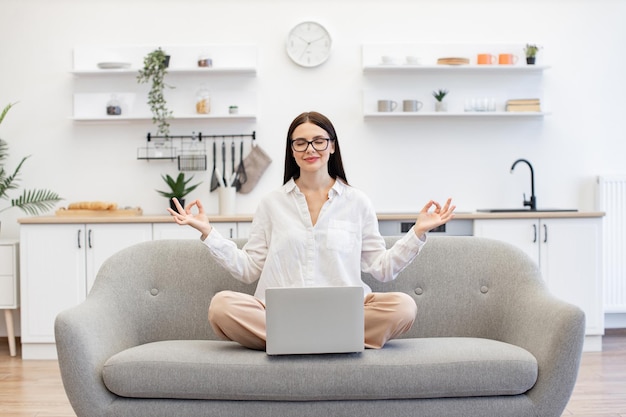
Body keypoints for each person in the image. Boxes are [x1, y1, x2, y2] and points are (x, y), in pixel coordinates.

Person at [168, 111, 455, 351]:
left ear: (332, 146)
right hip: (279, 313)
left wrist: (417, 232)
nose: (310, 149)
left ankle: (294, 341)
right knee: (221, 307)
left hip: (343, 310)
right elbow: (248, 269)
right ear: (292, 151)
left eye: (319, 141)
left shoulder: (357, 202)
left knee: (403, 306)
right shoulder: (271, 203)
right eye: (301, 143)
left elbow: (381, 269)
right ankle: (331, 340)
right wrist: (208, 232)